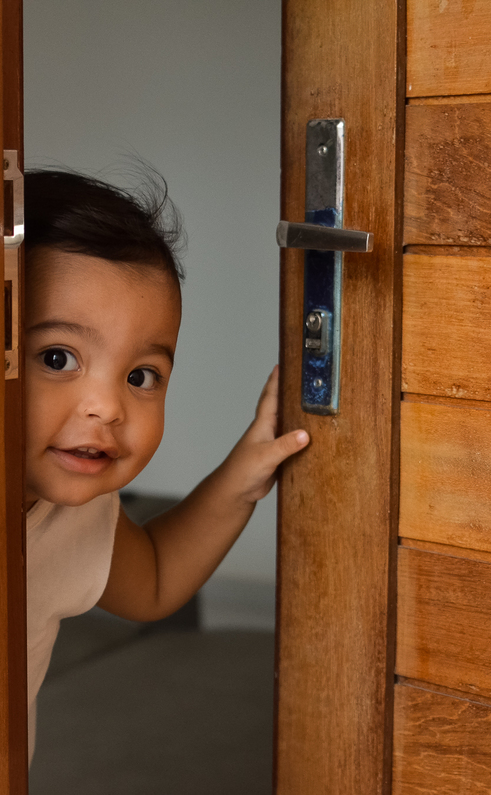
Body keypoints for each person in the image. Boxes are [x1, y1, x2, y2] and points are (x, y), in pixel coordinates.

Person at [23, 169, 310, 762]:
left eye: (141, 376)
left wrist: (243, 475)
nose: (108, 407)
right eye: (57, 359)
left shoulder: (75, 515)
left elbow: (153, 580)